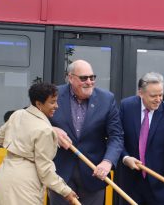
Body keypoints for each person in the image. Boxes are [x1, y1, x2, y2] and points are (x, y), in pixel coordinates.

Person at [0, 83, 78, 205]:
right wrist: (66, 191)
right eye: (52, 102)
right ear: (38, 104)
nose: (56, 106)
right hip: (24, 187)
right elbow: (45, 171)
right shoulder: (45, 130)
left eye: (56, 101)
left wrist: (20, 147)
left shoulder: (18, 114)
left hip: (3, 177)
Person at [48, 60, 124, 205]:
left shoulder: (106, 99)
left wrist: (107, 162)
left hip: (93, 175)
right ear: (70, 78)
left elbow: (116, 136)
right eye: (83, 78)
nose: (89, 82)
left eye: (92, 77)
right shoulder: (53, 94)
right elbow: (33, 119)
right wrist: (50, 130)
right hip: (59, 175)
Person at [117, 72, 164, 205]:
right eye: (153, 96)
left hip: (160, 186)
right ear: (141, 93)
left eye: (161, 95)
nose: (158, 99)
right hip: (130, 184)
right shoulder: (127, 106)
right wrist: (125, 158)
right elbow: (117, 138)